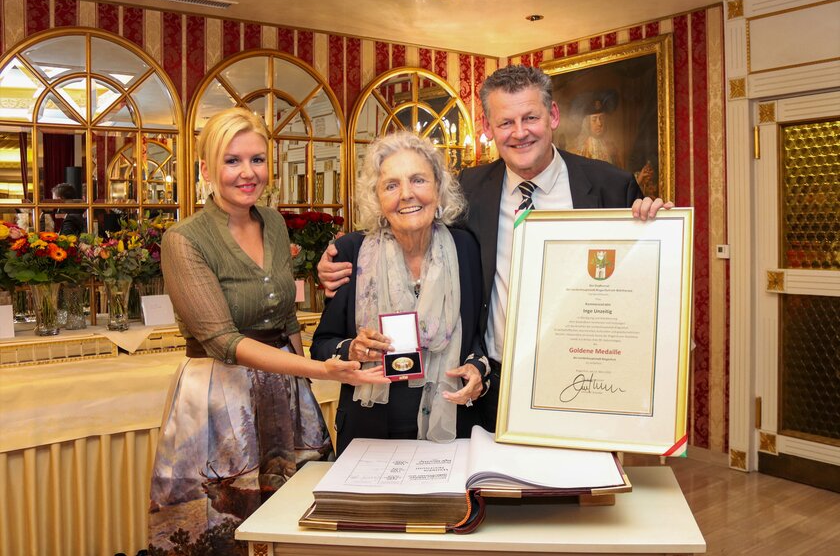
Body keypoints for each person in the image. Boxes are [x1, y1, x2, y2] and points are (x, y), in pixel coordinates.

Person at [319, 65, 671, 433]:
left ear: (552, 116)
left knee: (577, 488)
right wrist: (334, 260)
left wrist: (657, 230)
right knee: (493, 489)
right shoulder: (469, 190)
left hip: (586, 377)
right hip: (491, 386)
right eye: (505, 123)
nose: (519, 133)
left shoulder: (610, 187)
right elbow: (404, 225)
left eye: (530, 117)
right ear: (488, 129)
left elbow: (641, 286)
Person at [148, 107, 387, 555]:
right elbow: (224, 342)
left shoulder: (274, 224)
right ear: (206, 169)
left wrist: (307, 389)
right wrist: (323, 369)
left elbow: (286, 320)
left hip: (285, 390)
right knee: (223, 522)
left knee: (293, 517)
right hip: (221, 395)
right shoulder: (185, 239)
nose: (247, 173)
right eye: (232, 160)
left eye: (257, 160)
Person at [309, 132, 487, 456]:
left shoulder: (466, 247)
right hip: (369, 434)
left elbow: (478, 333)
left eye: (418, 180)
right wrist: (353, 349)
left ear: (438, 188)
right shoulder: (351, 252)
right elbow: (321, 345)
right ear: (377, 198)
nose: (406, 195)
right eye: (391, 185)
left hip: (453, 429)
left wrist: (478, 368)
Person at [570, 97, 618, 165]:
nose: (599, 123)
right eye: (594, 120)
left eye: (601, 118)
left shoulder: (611, 147)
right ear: (587, 123)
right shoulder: (581, 149)